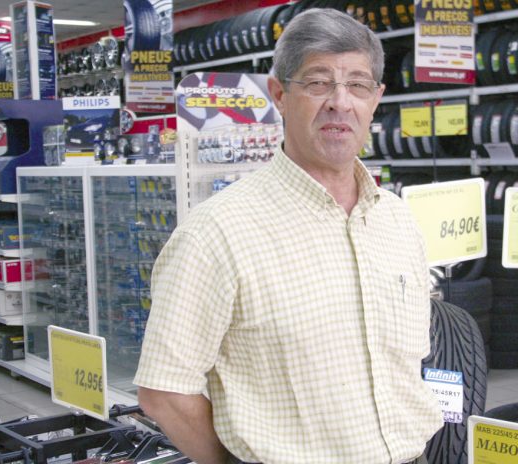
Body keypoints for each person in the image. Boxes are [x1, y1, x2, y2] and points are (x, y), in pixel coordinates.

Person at [134, 8, 443, 464]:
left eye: (357, 85)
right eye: (318, 83)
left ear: (376, 98)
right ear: (279, 94)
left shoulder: (397, 220)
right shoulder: (216, 233)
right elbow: (163, 391)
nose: (340, 102)